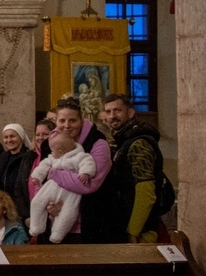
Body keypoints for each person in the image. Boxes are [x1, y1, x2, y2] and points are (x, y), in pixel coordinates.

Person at [34, 98, 113, 243]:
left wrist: (54, 173)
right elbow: (41, 181)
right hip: (52, 222)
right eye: (62, 121)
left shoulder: (98, 143)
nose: (66, 126)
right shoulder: (49, 144)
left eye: (72, 120)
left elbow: (89, 184)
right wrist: (48, 205)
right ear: (55, 121)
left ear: (81, 120)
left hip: (88, 224)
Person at [102, 94, 166, 244]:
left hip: (140, 232)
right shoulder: (123, 140)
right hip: (124, 222)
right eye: (108, 112)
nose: (112, 116)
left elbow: (146, 190)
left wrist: (133, 231)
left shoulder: (139, 144)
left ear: (130, 113)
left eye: (117, 111)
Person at [29, 131, 96, 243]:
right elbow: (44, 164)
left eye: (52, 151)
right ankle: (36, 226)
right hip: (52, 186)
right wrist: (37, 176)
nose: (51, 153)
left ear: (60, 152)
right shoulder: (53, 157)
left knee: (68, 212)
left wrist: (86, 173)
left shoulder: (80, 156)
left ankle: (58, 234)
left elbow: (88, 162)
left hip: (70, 192)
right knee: (37, 202)